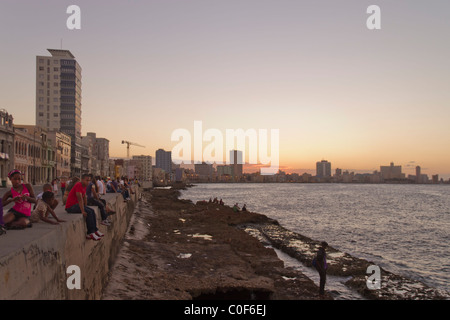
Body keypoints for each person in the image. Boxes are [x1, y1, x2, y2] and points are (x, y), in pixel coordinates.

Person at [65, 173, 104, 241]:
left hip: (76, 205)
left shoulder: (85, 186)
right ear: (82, 180)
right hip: (71, 207)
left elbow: (84, 197)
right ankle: (90, 233)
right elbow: (80, 198)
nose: (88, 182)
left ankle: (95, 230)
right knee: (88, 212)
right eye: (87, 180)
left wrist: (86, 206)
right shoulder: (78, 185)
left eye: (89, 180)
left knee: (91, 211)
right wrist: (83, 210)